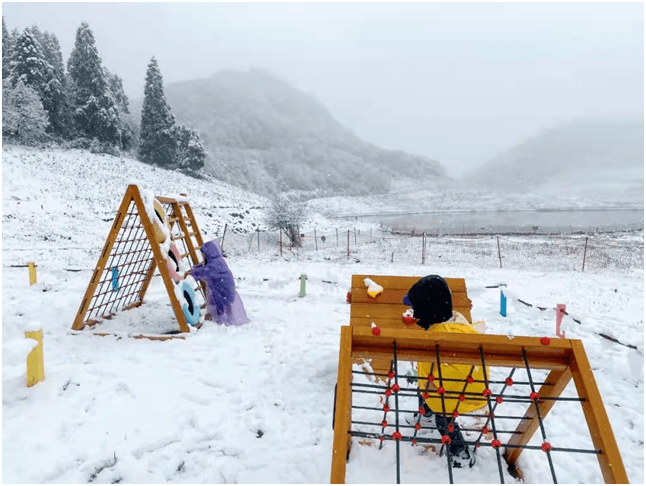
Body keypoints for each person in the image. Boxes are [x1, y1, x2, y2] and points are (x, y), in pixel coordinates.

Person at [404, 275, 483, 468]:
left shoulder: (437, 340)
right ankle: (426, 414)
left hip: (457, 395)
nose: (415, 314)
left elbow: (434, 376)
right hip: (463, 388)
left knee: (443, 419)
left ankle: (461, 453)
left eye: (417, 310)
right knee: (426, 385)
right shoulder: (460, 326)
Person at [190, 239, 249, 326]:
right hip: (226, 290)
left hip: (222, 293)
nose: (203, 257)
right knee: (223, 305)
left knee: (219, 306)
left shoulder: (213, 266)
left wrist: (192, 272)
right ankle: (225, 316)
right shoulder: (217, 260)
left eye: (203, 255)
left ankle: (221, 320)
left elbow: (202, 273)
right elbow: (204, 267)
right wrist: (197, 267)